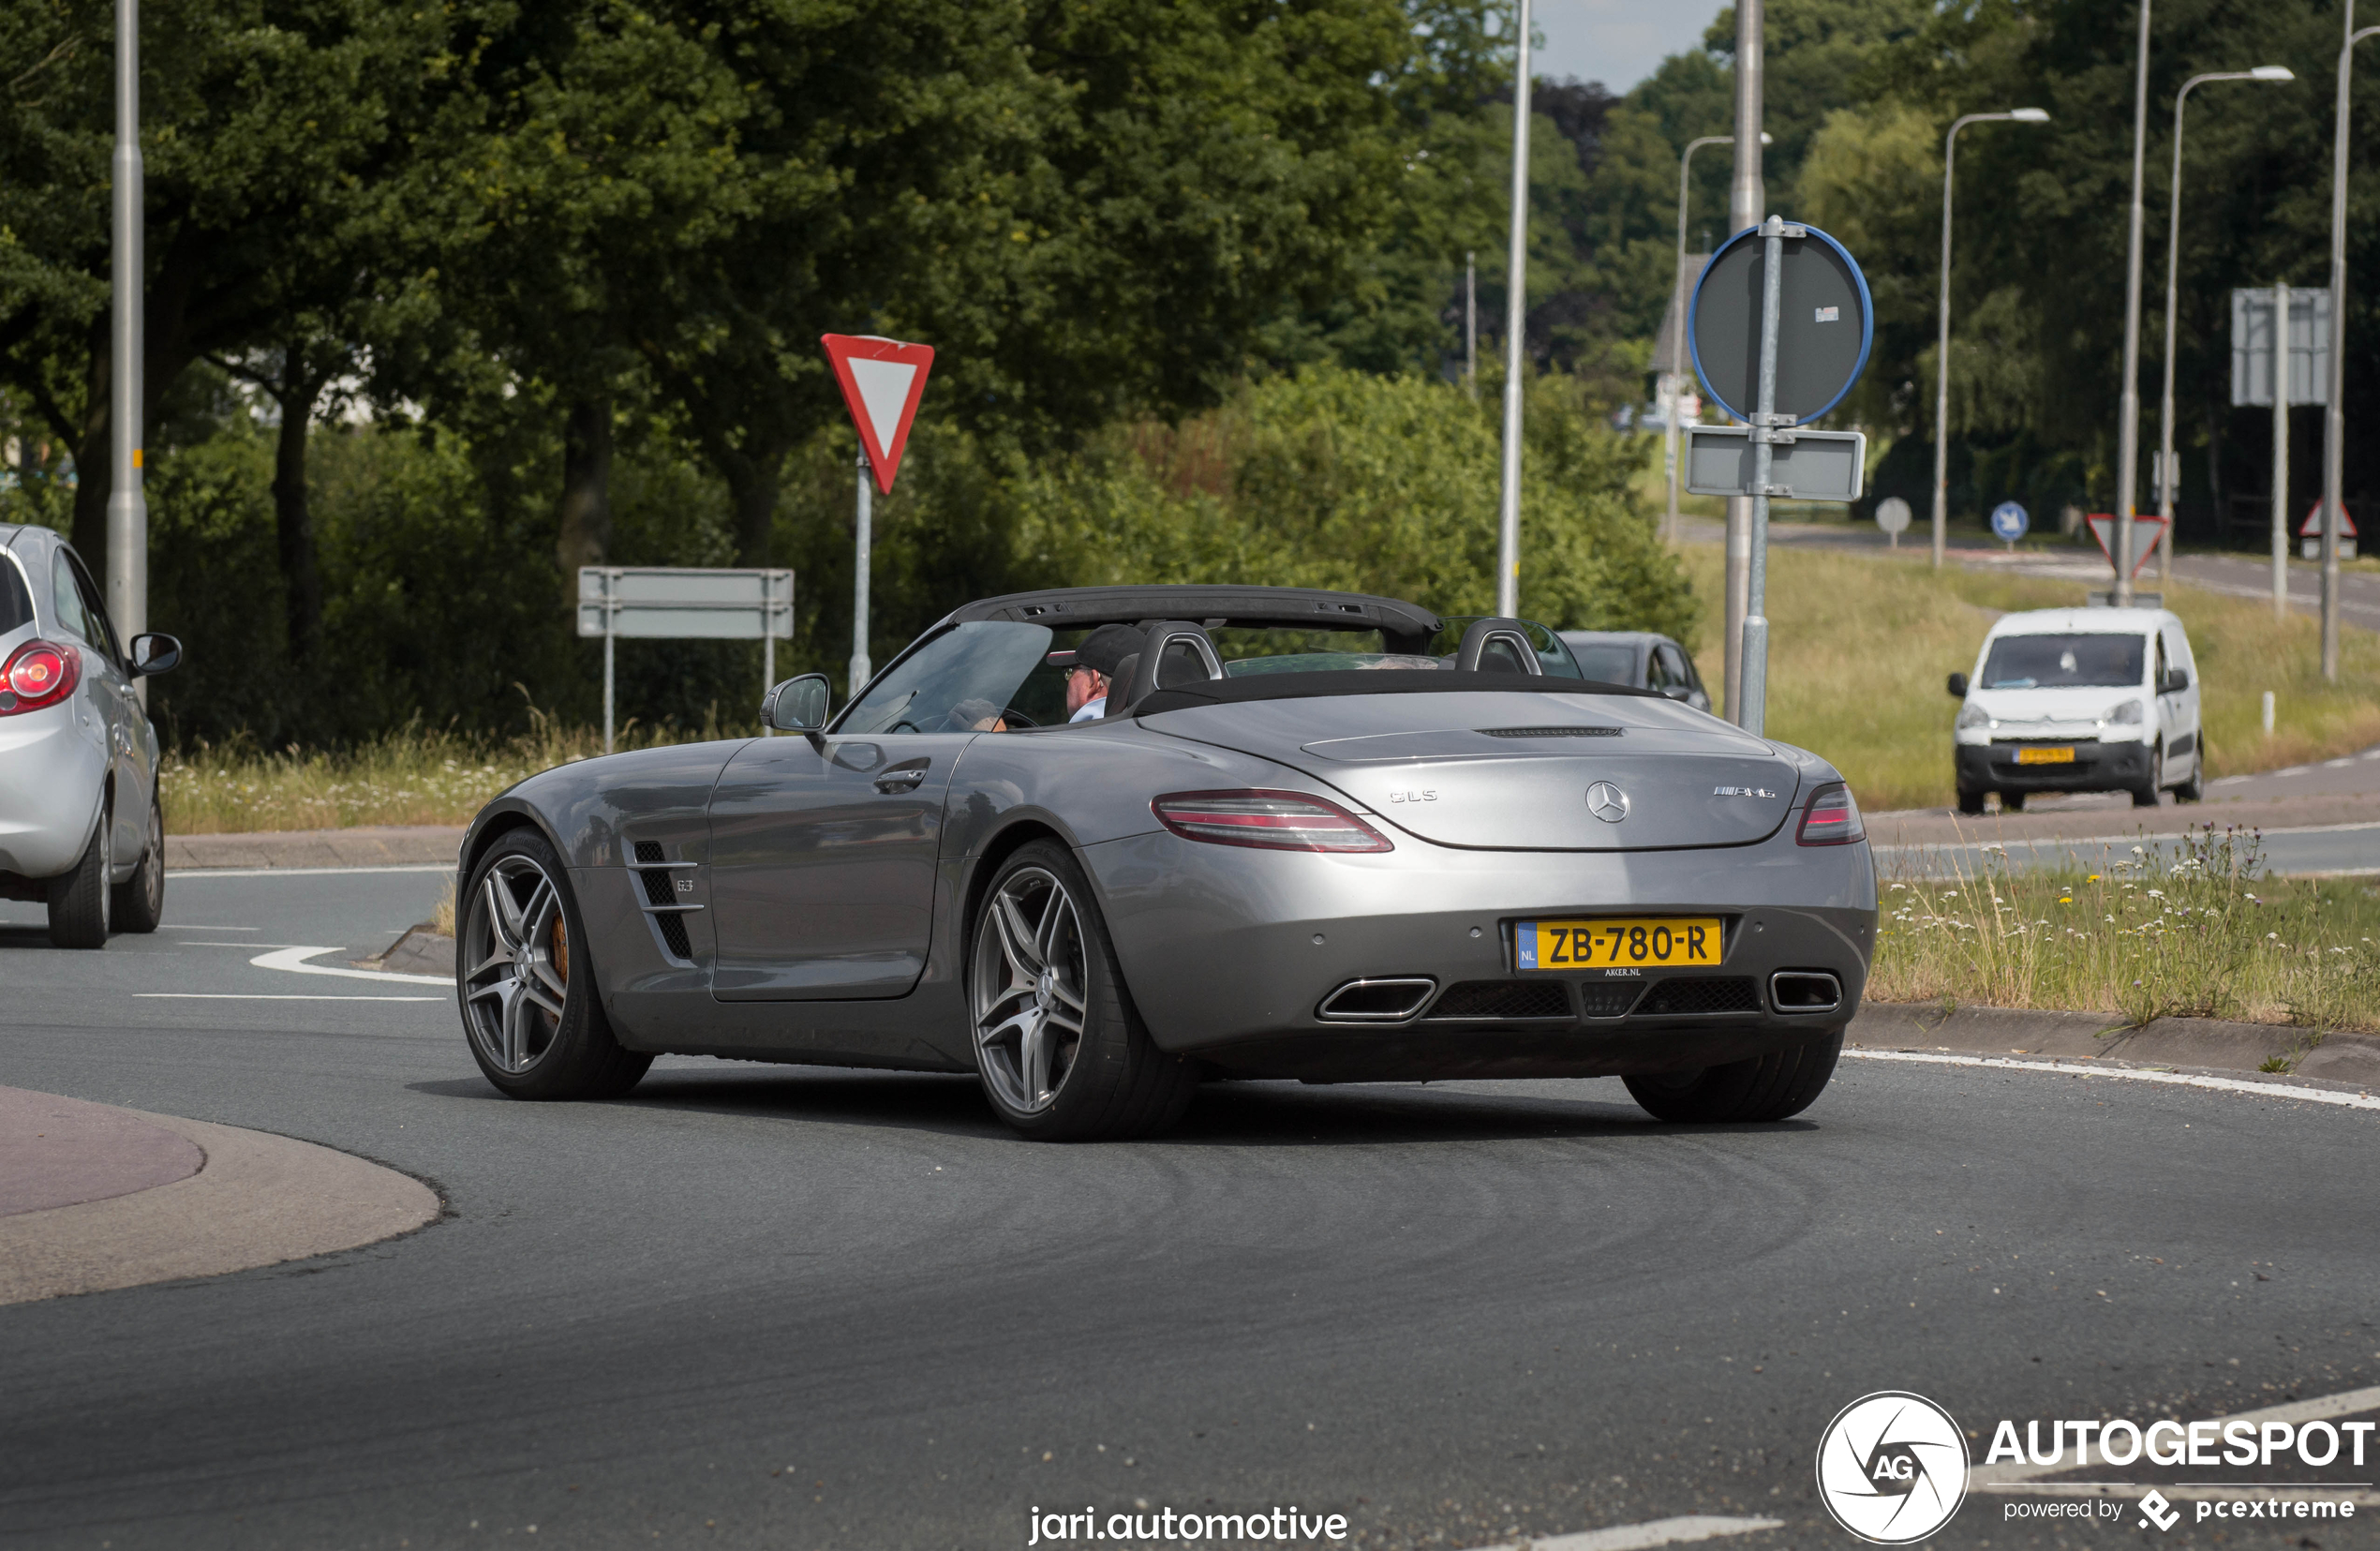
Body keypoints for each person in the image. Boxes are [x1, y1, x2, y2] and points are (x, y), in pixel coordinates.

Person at [1065, 623, 1145, 723]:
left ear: (1094, 681)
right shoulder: (1158, 727)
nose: (1068, 680)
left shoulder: (1074, 735)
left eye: (1069, 672)